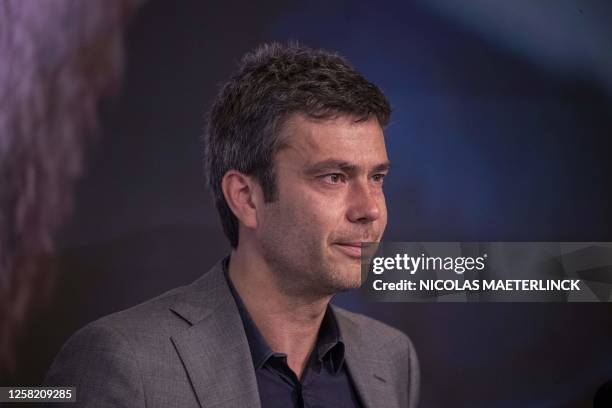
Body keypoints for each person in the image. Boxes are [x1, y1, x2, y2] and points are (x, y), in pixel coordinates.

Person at [44, 42, 420, 408]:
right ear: (245, 197)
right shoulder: (121, 362)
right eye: (334, 177)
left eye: (377, 178)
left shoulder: (390, 356)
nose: (369, 209)